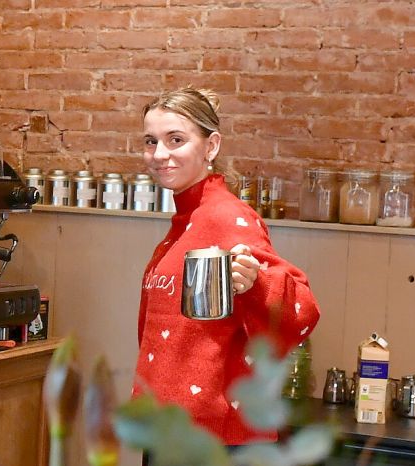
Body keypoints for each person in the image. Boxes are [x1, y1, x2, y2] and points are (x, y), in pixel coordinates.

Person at [132, 87, 321, 447]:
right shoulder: (188, 220)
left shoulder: (227, 217)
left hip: (215, 442)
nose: (159, 154)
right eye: (150, 141)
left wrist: (257, 282)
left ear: (211, 146)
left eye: (175, 140)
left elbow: (304, 310)